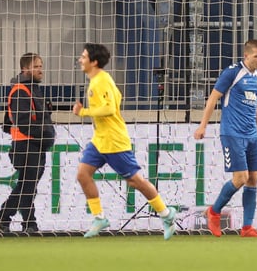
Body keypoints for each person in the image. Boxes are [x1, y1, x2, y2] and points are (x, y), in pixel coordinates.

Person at [72, 43, 178, 239]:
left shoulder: (101, 81)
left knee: (135, 181)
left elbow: (110, 108)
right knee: (83, 174)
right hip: (99, 140)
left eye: (84, 56)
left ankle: (166, 213)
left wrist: (83, 112)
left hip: (114, 141)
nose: (80, 59)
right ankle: (99, 217)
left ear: (94, 62)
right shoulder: (97, 80)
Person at [194, 39, 257, 238]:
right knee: (241, 178)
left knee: (253, 179)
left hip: (251, 135)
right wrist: (203, 125)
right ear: (246, 56)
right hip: (232, 133)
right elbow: (212, 98)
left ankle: (247, 228)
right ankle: (214, 211)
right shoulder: (232, 73)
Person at [0, 53, 56, 235]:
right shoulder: (21, 90)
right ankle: (3, 217)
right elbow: (23, 121)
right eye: (36, 67)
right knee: (27, 186)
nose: (40, 70)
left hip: (33, 144)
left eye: (41, 66)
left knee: (27, 187)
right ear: (25, 69)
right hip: (27, 145)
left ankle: (29, 224)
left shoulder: (31, 89)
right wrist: (44, 133)